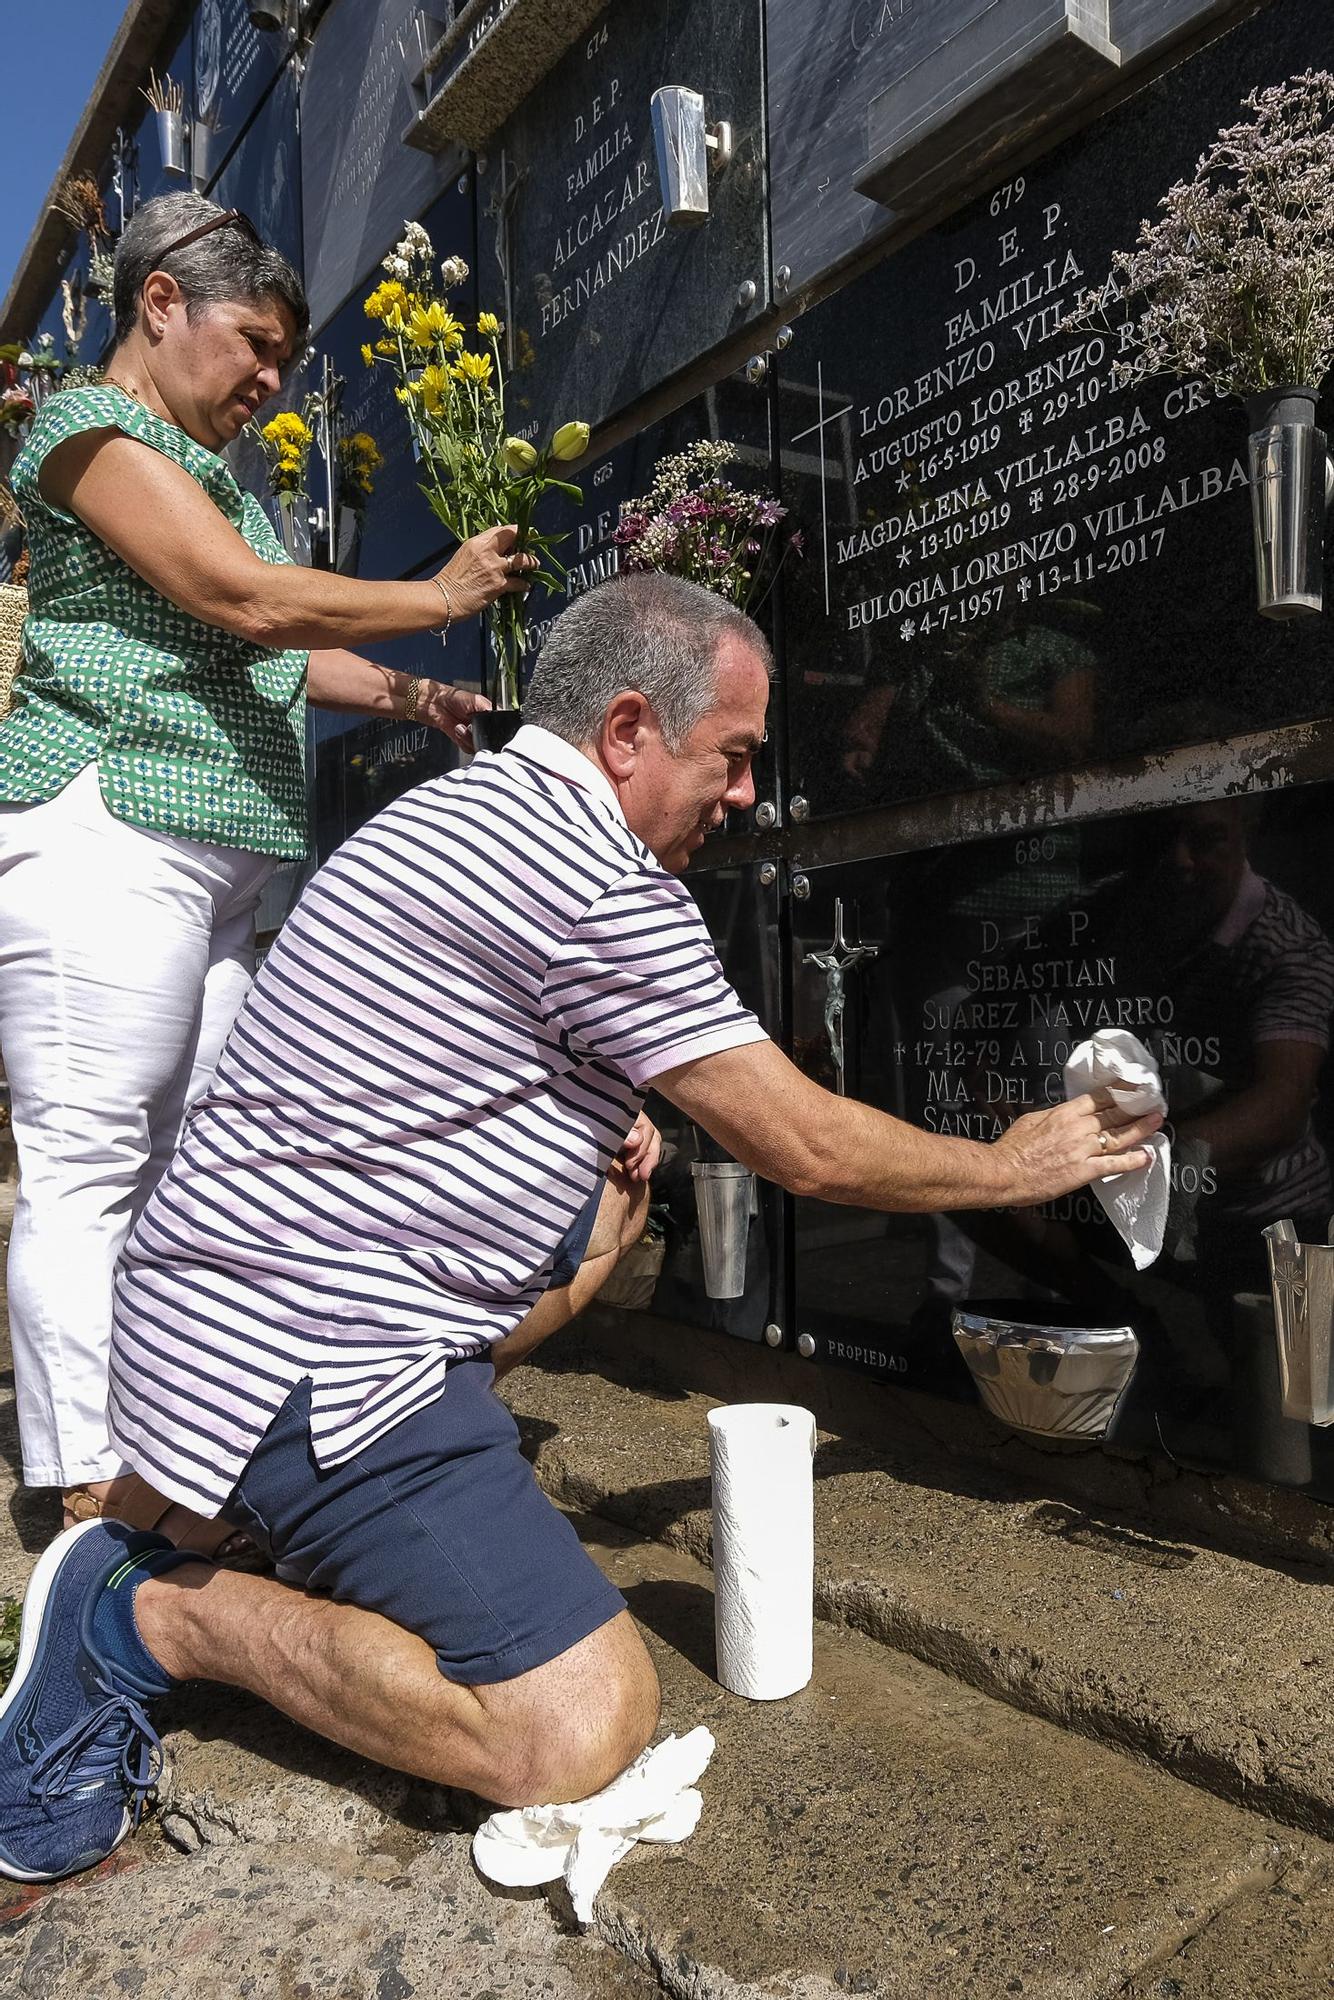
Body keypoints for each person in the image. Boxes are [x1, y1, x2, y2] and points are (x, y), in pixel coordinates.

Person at [0, 574, 1161, 1884]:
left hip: (205, 1313)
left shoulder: (450, 813)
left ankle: (184, 1523)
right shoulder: (592, 880)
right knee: (575, 1725)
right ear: (625, 730)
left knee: (577, 1259)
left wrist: (568, 1118)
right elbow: (806, 1146)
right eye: (728, 757)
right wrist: (1016, 1167)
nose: (743, 798)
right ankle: (137, 1617)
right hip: (320, 1357)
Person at [0, 192, 535, 1537]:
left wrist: (416, 697)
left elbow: (282, 645)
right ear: (161, 304)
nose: (269, 378)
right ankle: (83, 1492)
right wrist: (438, 599)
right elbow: (242, 599)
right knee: (89, 1158)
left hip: (215, 870)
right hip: (104, 833)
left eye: (285, 356)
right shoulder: (90, 430)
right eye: (254, 341)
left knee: (207, 1164)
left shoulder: (214, 476)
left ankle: (180, 1448)